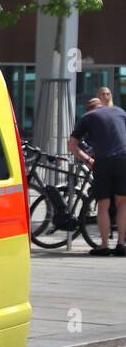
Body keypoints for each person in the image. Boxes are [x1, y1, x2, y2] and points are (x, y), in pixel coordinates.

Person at [69, 89, 126, 255]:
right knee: (122, 203)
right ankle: (121, 244)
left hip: (103, 161)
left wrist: (88, 160)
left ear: (88, 109)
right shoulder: (120, 111)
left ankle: (104, 245)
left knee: (103, 203)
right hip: (123, 159)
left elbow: (72, 145)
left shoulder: (87, 117)